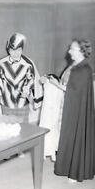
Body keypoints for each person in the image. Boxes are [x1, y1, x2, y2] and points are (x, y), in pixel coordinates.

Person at [49, 39, 95, 182]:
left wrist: (56, 84)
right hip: (73, 107)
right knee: (69, 137)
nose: (69, 51)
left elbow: (73, 91)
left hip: (77, 111)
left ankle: (75, 173)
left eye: (72, 49)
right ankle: (68, 166)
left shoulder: (83, 69)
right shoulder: (78, 66)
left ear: (81, 51)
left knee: (75, 137)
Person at [0, 33, 43, 123]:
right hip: (7, 104)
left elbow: (33, 81)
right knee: (8, 129)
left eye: (19, 50)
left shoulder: (28, 64)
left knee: (23, 129)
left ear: (22, 49)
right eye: (12, 50)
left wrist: (27, 90)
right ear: (8, 49)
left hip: (23, 104)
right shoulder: (0, 64)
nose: (16, 53)